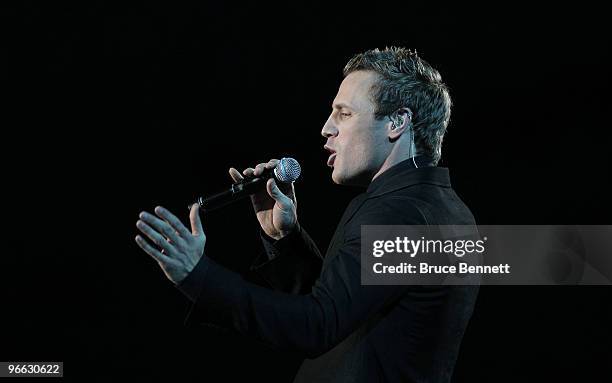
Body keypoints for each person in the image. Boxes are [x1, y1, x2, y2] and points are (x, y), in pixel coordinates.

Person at [135, 47, 479, 382]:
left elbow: (318, 326)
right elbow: (344, 310)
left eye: (344, 113)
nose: (327, 128)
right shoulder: (440, 207)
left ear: (397, 122)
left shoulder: (401, 212)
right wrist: (285, 238)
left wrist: (199, 276)